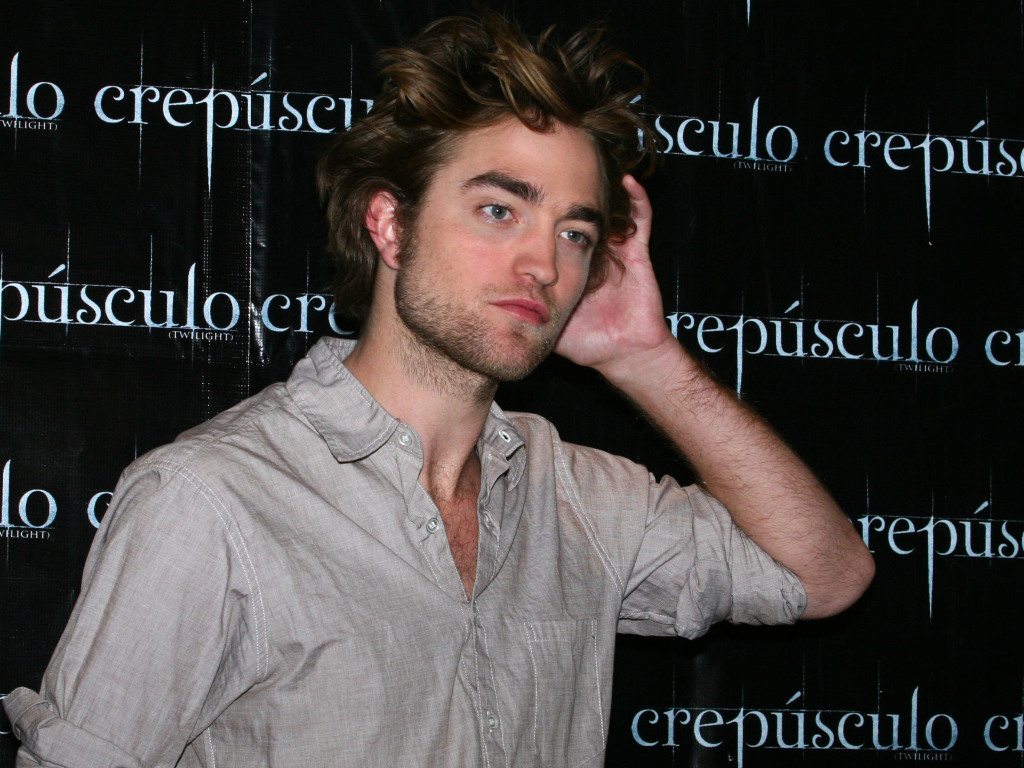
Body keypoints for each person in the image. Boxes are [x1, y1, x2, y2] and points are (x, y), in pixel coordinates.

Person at [3, 10, 874, 768]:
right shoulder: (211, 502)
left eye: (574, 232)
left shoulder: (581, 499)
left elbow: (826, 577)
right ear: (391, 224)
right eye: (499, 209)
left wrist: (643, 356)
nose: (543, 263)